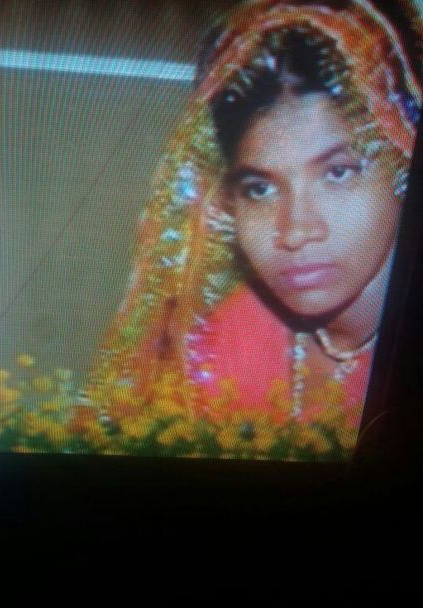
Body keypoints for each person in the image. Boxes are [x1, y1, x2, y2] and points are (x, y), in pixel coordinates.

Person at [79, 0, 422, 459]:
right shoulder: (220, 342)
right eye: (260, 189)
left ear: (403, 164)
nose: (296, 231)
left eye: (338, 172)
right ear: (227, 200)